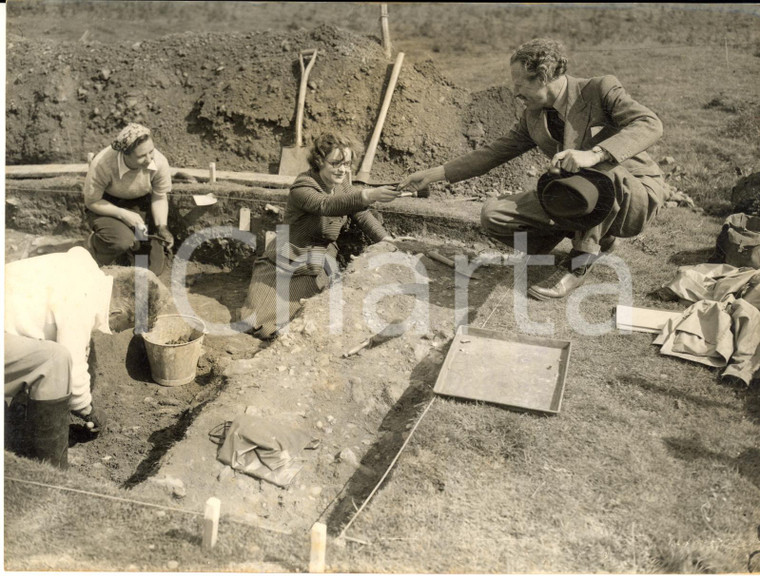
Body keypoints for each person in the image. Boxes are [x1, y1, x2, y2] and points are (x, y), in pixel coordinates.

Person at [399, 38, 668, 300]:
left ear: (542, 77)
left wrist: (594, 154)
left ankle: (580, 261)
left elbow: (650, 123)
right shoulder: (534, 116)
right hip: (580, 195)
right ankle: (597, 237)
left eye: (520, 85)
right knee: (494, 215)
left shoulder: (600, 90)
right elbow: (494, 152)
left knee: (597, 175)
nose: (516, 94)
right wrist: (433, 175)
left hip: (634, 192)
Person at [4, 247, 171, 469]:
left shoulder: (86, 269)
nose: (120, 331)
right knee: (54, 360)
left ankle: (23, 418)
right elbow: (72, 371)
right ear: (117, 314)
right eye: (125, 327)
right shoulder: (79, 304)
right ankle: (51, 471)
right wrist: (88, 409)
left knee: (50, 357)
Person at [238, 132, 402, 339]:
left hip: (319, 264)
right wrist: (366, 195)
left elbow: (362, 215)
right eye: (335, 163)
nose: (342, 170)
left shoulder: (342, 186)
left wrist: (386, 240)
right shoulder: (303, 186)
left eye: (347, 164)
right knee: (256, 324)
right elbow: (324, 205)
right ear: (319, 162)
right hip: (286, 260)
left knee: (313, 315)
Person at [84, 123, 175, 275]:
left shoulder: (158, 162)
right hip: (107, 206)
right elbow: (91, 202)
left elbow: (159, 196)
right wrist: (123, 214)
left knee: (149, 268)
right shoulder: (103, 164)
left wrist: (161, 227)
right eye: (141, 156)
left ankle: (127, 254)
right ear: (125, 154)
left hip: (139, 207)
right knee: (120, 241)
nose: (149, 159)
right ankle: (95, 245)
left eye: (151, 152)